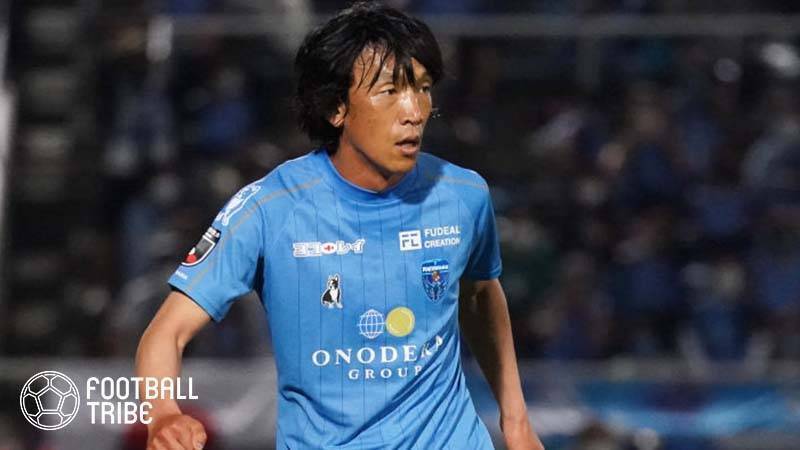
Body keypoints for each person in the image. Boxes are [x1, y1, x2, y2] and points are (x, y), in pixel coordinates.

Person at [135, 2, 544, 449]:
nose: (414, 110)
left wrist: (516, 421)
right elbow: (167, 332)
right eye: (390, 91)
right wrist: (163, 414)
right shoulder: (269, 209)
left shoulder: (464, 195)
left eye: (423, 88)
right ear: (336, 108)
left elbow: (480, 295)